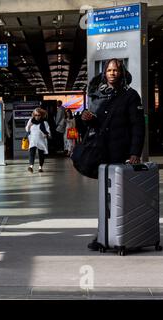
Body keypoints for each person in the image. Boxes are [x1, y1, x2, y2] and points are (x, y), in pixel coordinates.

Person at [81, 58, 145, 251]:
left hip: (122, 154)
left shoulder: (131, 96)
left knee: (122, 196)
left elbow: (138, 126)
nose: (112, 73)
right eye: (109, 70)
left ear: (122, 72)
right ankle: (104, 236)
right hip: (103, 153)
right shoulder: (98, 94)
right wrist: (87, 119)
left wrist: (135, 152)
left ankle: (125, 235)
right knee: (105, 197)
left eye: (115, 70)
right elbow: (96, 124)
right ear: (104, 73)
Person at [25, 108, 51, 173]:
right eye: (35, 115)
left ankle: (40, 167)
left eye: (38, 115)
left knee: (41, 154)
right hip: (33, 140)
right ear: (34, 115)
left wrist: (46, 134)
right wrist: (29, 126)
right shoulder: (31, 120)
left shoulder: (44, 122)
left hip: (41, 140)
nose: (37, 116)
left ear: (41, 115)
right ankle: (31, 166)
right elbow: (27, 129)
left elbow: (48, 131)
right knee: (31, 153)